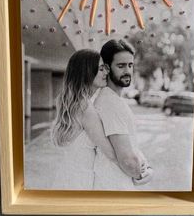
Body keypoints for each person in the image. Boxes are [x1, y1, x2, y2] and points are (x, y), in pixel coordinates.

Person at [51, 49, 148, 190]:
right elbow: (112, 153)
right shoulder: (85, 108)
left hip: (65, 176)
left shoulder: (67, 101)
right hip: (80, 184)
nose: (106, 73)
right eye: (101, 69)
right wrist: (140, 169)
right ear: (87, 71)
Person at [93, 39, 153, 190]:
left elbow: (131, 145)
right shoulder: (110, 102)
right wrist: (144, 174)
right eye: (121, 66)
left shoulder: (113, 99)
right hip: (114, 187)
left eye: (130, 65)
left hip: (114, 184)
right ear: (107, 68)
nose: (127, 71)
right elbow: (127, 160)